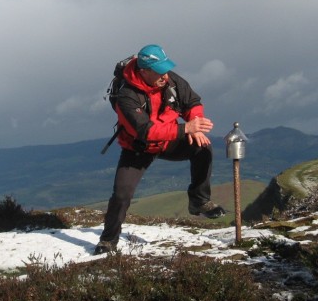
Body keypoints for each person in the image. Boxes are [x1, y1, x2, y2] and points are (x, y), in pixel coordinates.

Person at [95, 44, 226, 255]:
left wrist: (194, 124)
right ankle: (108, 241)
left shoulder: (170, 79)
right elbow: (145, 131)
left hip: (169, 140)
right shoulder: (126, 95)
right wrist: (186, 128)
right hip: (138, 147)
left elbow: (192, 101)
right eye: (159, 71)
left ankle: (199, 201)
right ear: (143, 71)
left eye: (166, 69)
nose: (164, 76)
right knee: (121, 195)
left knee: (203, 148)